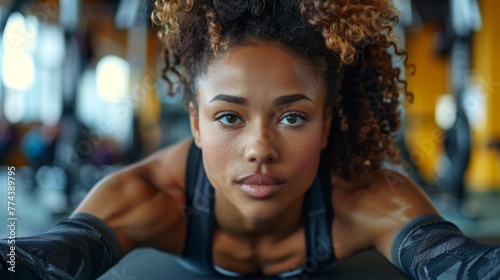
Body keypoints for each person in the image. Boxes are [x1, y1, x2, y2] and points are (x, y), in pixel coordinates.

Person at [1, 0, 499, 279]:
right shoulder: (145, 198)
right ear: (195, 121)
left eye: (292, 119)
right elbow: (38, 258)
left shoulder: (370, 201)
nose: (260, 147)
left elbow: (471, 266)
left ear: (326, 123)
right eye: (228, 118)